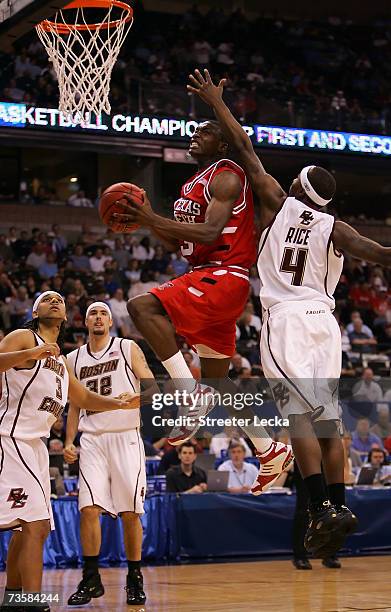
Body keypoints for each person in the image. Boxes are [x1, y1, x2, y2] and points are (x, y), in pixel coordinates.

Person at [187, 68, 391, 557]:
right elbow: (382, 255)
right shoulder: (338, 228)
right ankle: (337, 506)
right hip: (327, 323)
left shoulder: (277, 204)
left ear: (296, 187)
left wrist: (218, 102)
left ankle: (320, 506)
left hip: (287, 320)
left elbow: (244, 146)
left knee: (299, 416)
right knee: (331, 420)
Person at [115, 116, 292, 492]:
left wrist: (150, 215)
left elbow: (212, 232)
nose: (196, 135)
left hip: (224, 275)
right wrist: (148, 223)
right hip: (210, 275)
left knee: (142, 307)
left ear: (223, 145)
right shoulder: (191, 186)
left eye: (205, 131)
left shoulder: (226, 175)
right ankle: (269, 447)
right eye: (195, 131)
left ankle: (186, 391)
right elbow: (181, 244)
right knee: (218, 381)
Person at [0, 292, 138, 612]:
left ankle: (14, 597)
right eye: (47, 299)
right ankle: (33, 604)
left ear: (65, 317)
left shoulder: (62, 362)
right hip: (10, 437)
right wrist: (34, 352)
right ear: (35, 311)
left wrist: (119, 402)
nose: (54, 302)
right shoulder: (24, 337)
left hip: (35, 446)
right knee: (34, 526)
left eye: (59, 301)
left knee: (33, 527)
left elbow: (85, 399)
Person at [65, 302, 157, 607]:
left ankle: (134, 577)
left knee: (131, 513)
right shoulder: (72, 359)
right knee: (88, 509)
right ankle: (91, 578)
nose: (98, 317)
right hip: (92, 439)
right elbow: (75, 404)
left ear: (111, 321)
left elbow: (153, 388)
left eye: (103, 312)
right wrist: (69, 441)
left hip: (125, 437)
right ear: (85, 322)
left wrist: (136, 399)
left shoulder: (127, 347)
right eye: (93, 313)